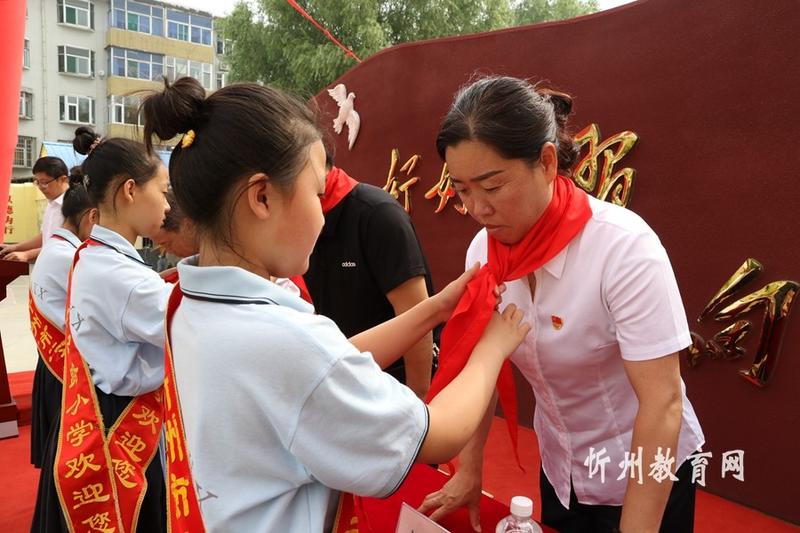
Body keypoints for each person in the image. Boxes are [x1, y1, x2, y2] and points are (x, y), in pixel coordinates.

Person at [140, 76, 531, 533]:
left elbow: (332, 361)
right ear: (262, 197)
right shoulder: (278, 340)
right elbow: (439, 435)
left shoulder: (187, 301)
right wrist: (492, 348)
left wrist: (436, 308)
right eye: (316, 193)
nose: (323, 216)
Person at [419, 76, 705, 533]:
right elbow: (482, 367)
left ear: (547, 162)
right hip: (562, 469)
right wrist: (470, 469)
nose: (478, 208)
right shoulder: (483, 254)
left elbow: (663, 402)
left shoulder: (623, 249)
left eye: (492, 186)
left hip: (644, 474)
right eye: (463, 190)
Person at [31, 126, 171, 533]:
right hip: (120, 429)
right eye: (163, 191)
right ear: (130, 190)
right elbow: (195, 327)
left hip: (96, 414)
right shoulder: (122, 276)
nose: (167, 204)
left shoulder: (93, 255)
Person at [302, 152, 437, 397]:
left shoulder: (378, 215)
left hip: (393, 384)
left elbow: (418, 315)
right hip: (340, 379)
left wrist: (418, 398)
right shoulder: (295, 219)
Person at [28, 168, 98, 468]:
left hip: (52, 362)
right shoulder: (69, 257)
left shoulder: (55, 248)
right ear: (90, 217)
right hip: (64, 367)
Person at [1, 157, 69, 262]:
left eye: (44, 182)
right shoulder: (52, 203)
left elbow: (64, 245)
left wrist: (27, 254)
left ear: (62, 179)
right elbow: (44, 237)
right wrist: (15, 247)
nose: (41, 187)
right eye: (38, 182)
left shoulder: (73, 205)